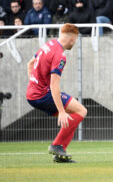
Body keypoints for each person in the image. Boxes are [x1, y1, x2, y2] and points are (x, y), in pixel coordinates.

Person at [26, 23, 87, 163]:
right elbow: (54, 86)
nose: (75, 43)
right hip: (43, 94)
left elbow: (30, 63)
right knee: (82, 111)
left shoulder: (49, 44)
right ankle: (56, 145)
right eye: (75, 40)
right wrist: (61, 111)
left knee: (73, 117)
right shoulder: (60, 56)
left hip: (32, 94)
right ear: (72, 39)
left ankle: (60, 154)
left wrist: (34, 83)